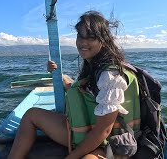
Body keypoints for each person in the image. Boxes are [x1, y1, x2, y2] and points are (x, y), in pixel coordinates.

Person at [8, 10, 140, 159]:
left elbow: (103, 131)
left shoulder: (110, 76)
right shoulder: (93, 67)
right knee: (31, 115)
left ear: (103, 40)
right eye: (80, 36)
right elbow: (81, 91)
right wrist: (57, 74)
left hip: (110, 143)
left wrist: (71, 157)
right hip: (84, 134)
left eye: (90, 37)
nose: (83, 42)